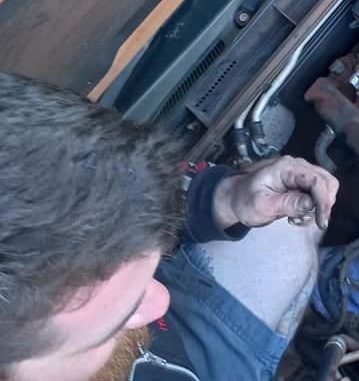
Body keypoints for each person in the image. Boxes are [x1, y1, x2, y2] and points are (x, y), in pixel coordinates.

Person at [0, 70, 339, 381]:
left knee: (287, 229)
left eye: (146, 276)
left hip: (187, 348)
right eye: (116, 325)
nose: (161, 302)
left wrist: (226, 199)